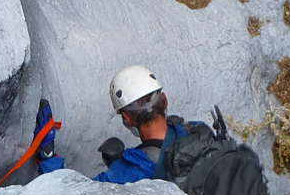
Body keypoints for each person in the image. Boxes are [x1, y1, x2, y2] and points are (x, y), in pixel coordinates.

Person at [36, 65, 188, 183]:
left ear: (126, 118)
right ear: (165, 100)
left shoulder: (132, 171)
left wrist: (48, 157)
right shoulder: (195, 133)